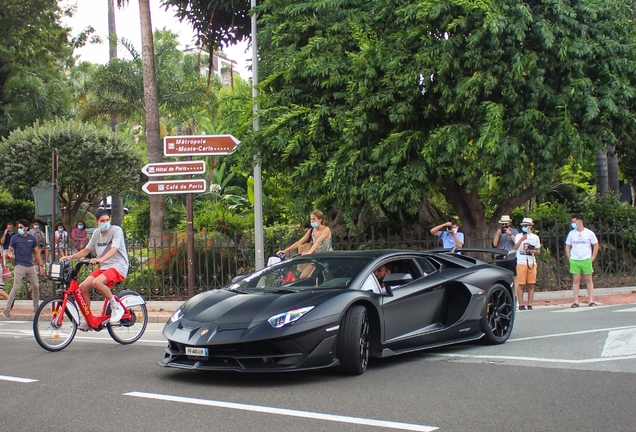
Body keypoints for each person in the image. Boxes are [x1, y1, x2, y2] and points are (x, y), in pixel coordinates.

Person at [60, 209, 129, 330]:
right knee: (82, 288)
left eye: (107, 220)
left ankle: (116, 306)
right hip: (105, 267)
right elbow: (86, 250)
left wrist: (100, 259)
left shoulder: (116, 230)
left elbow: (114, 249)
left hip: (118, 266)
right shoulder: (96, 233)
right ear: (96, 221)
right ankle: (88, 319)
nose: (106, 222)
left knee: (97, 282)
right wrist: (70, 257)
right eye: (102, 220)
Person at [2, 219, 45, 318]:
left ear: (26, 228)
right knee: (16, 287)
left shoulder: (32, 239)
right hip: (19, 265)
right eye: (19, 227)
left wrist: (41, 265)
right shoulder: (15, 238)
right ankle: (7, 309)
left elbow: (37, 252)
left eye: (21, 227)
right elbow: (10, 250)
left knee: (35, 286)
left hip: (30, 265)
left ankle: (36, 308)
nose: (20, 229)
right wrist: (10, 255)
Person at [276, 210, 332, 279]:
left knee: (312, 277)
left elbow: (317, 242)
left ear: (320, 220)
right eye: (311, 219)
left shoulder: (326, 229)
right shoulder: (312, 231)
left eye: (314, 219)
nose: (312, 221)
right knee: (303, 277)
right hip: (316, 258)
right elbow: (299, 242)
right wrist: (285, 251)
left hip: (326, 257)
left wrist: (309, 252)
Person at [565, 214, 599, 308]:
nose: (573, 223)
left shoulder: (589, 233)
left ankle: (590, 300)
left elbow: (595, 245)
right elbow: (568, 245)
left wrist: (593, 257)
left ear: (580, 221)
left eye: (574, 221)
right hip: (575, 259)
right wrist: (569, 257)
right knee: (576, 279)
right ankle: (576, 301)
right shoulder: (571, 233)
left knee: (588, 279)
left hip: (586, 258)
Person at [513, 218, 540, 310]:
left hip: (531, 262)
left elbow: (538, 251)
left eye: (526, 226)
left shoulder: (535, 237)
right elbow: (515, 247)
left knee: (531, 284)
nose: (524, 227)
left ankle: (530, 303)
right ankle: (521, 304)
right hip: (521, 262)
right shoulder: (518, 236)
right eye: (523, 226)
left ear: (530, 226)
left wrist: (534, 251)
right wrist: (521, 239)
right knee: (521, 284)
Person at [493, 215, 519, 285]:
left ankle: (515, 294)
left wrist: (510, 234)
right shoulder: (498, 232)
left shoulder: (514, 231)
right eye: (502, 224)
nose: (504, 225)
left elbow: (516, 242)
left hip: (511, 255)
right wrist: (498, 234)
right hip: (500, 255)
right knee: (501, 275)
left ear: (509, 223)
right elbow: (495, 244)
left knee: (514, 275)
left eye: (505, 224)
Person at [0, 222, 14, 297]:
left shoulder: (14, 235)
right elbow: (2, 242)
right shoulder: (4, 235)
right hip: (5, 250)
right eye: (8, 228)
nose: (10, 229)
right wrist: (5, 233)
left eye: (11, 228)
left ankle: (9, 299)